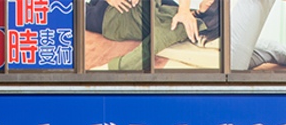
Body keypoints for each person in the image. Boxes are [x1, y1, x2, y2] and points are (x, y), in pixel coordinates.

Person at [86, 0, 220, 70]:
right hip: (122, 10)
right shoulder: (186, 14)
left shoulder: (184, 26)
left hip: (112, 18)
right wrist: (184, 10)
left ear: (209, 5)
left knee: (71, 11)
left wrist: (112, 68)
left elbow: (150, 46)